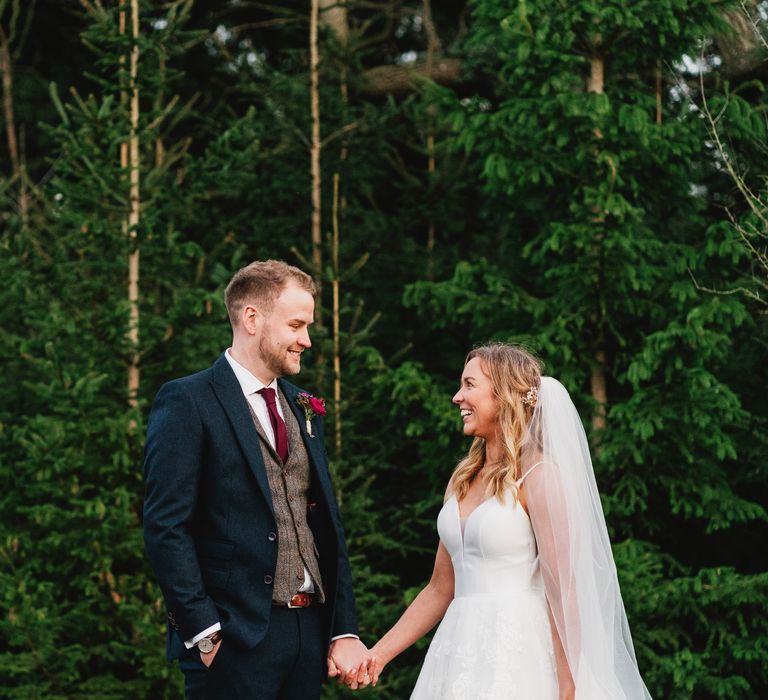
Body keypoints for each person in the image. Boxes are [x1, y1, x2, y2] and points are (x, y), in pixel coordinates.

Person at [368, 342, 653, 699]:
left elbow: (563, 592)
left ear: (503, 395)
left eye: (469, 385)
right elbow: (440, 588)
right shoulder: (461, 480)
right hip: (459, 651)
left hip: (519, 654)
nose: (457, 397)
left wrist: (570, 684)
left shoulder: (539, 475)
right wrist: (378, 655)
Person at [143, 260, 373, 699]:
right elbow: (165, 526)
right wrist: (204, 633)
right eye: (296, 325)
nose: (306, 339)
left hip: (307, 634)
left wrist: (342, 629)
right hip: (234, 638)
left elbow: (325, 525)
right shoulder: (188, 400)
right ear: (252, 319)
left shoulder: (301, 404)